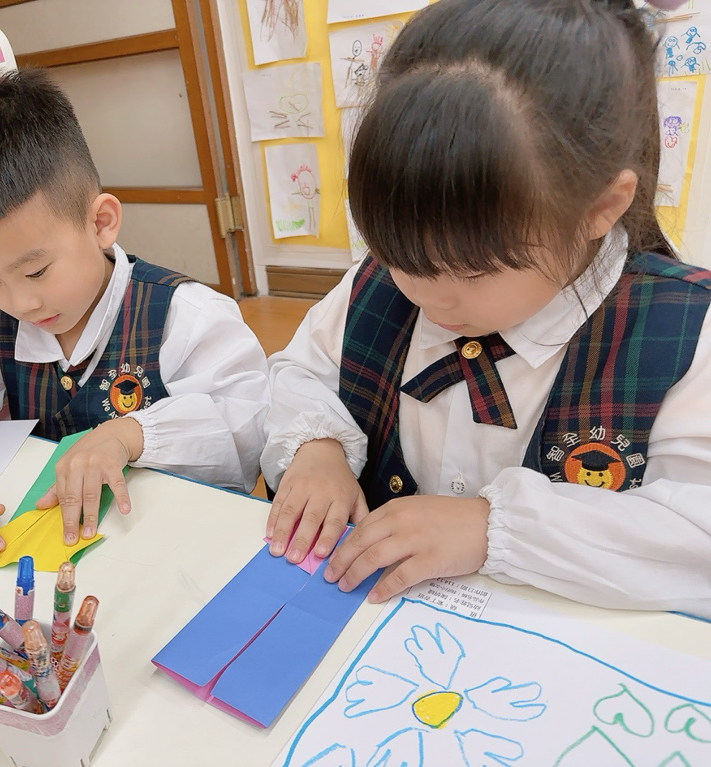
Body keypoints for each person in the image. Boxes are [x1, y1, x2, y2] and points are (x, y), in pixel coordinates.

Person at [261, 0, 711, 617]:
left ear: (600, 209)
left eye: (473, 271)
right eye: (396, 254)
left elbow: (695, 537)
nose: (427, 296)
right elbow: (300, 371)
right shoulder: (379, 286)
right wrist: (317, 447)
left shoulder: (684, 331)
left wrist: (492, 529)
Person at [0, 68, 269, 568]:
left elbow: (245, 425)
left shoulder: (184, 315)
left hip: (174, 547)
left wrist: (129, 435)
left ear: (100, 223)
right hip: (70, 555)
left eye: (35, 271)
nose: (21, 303)